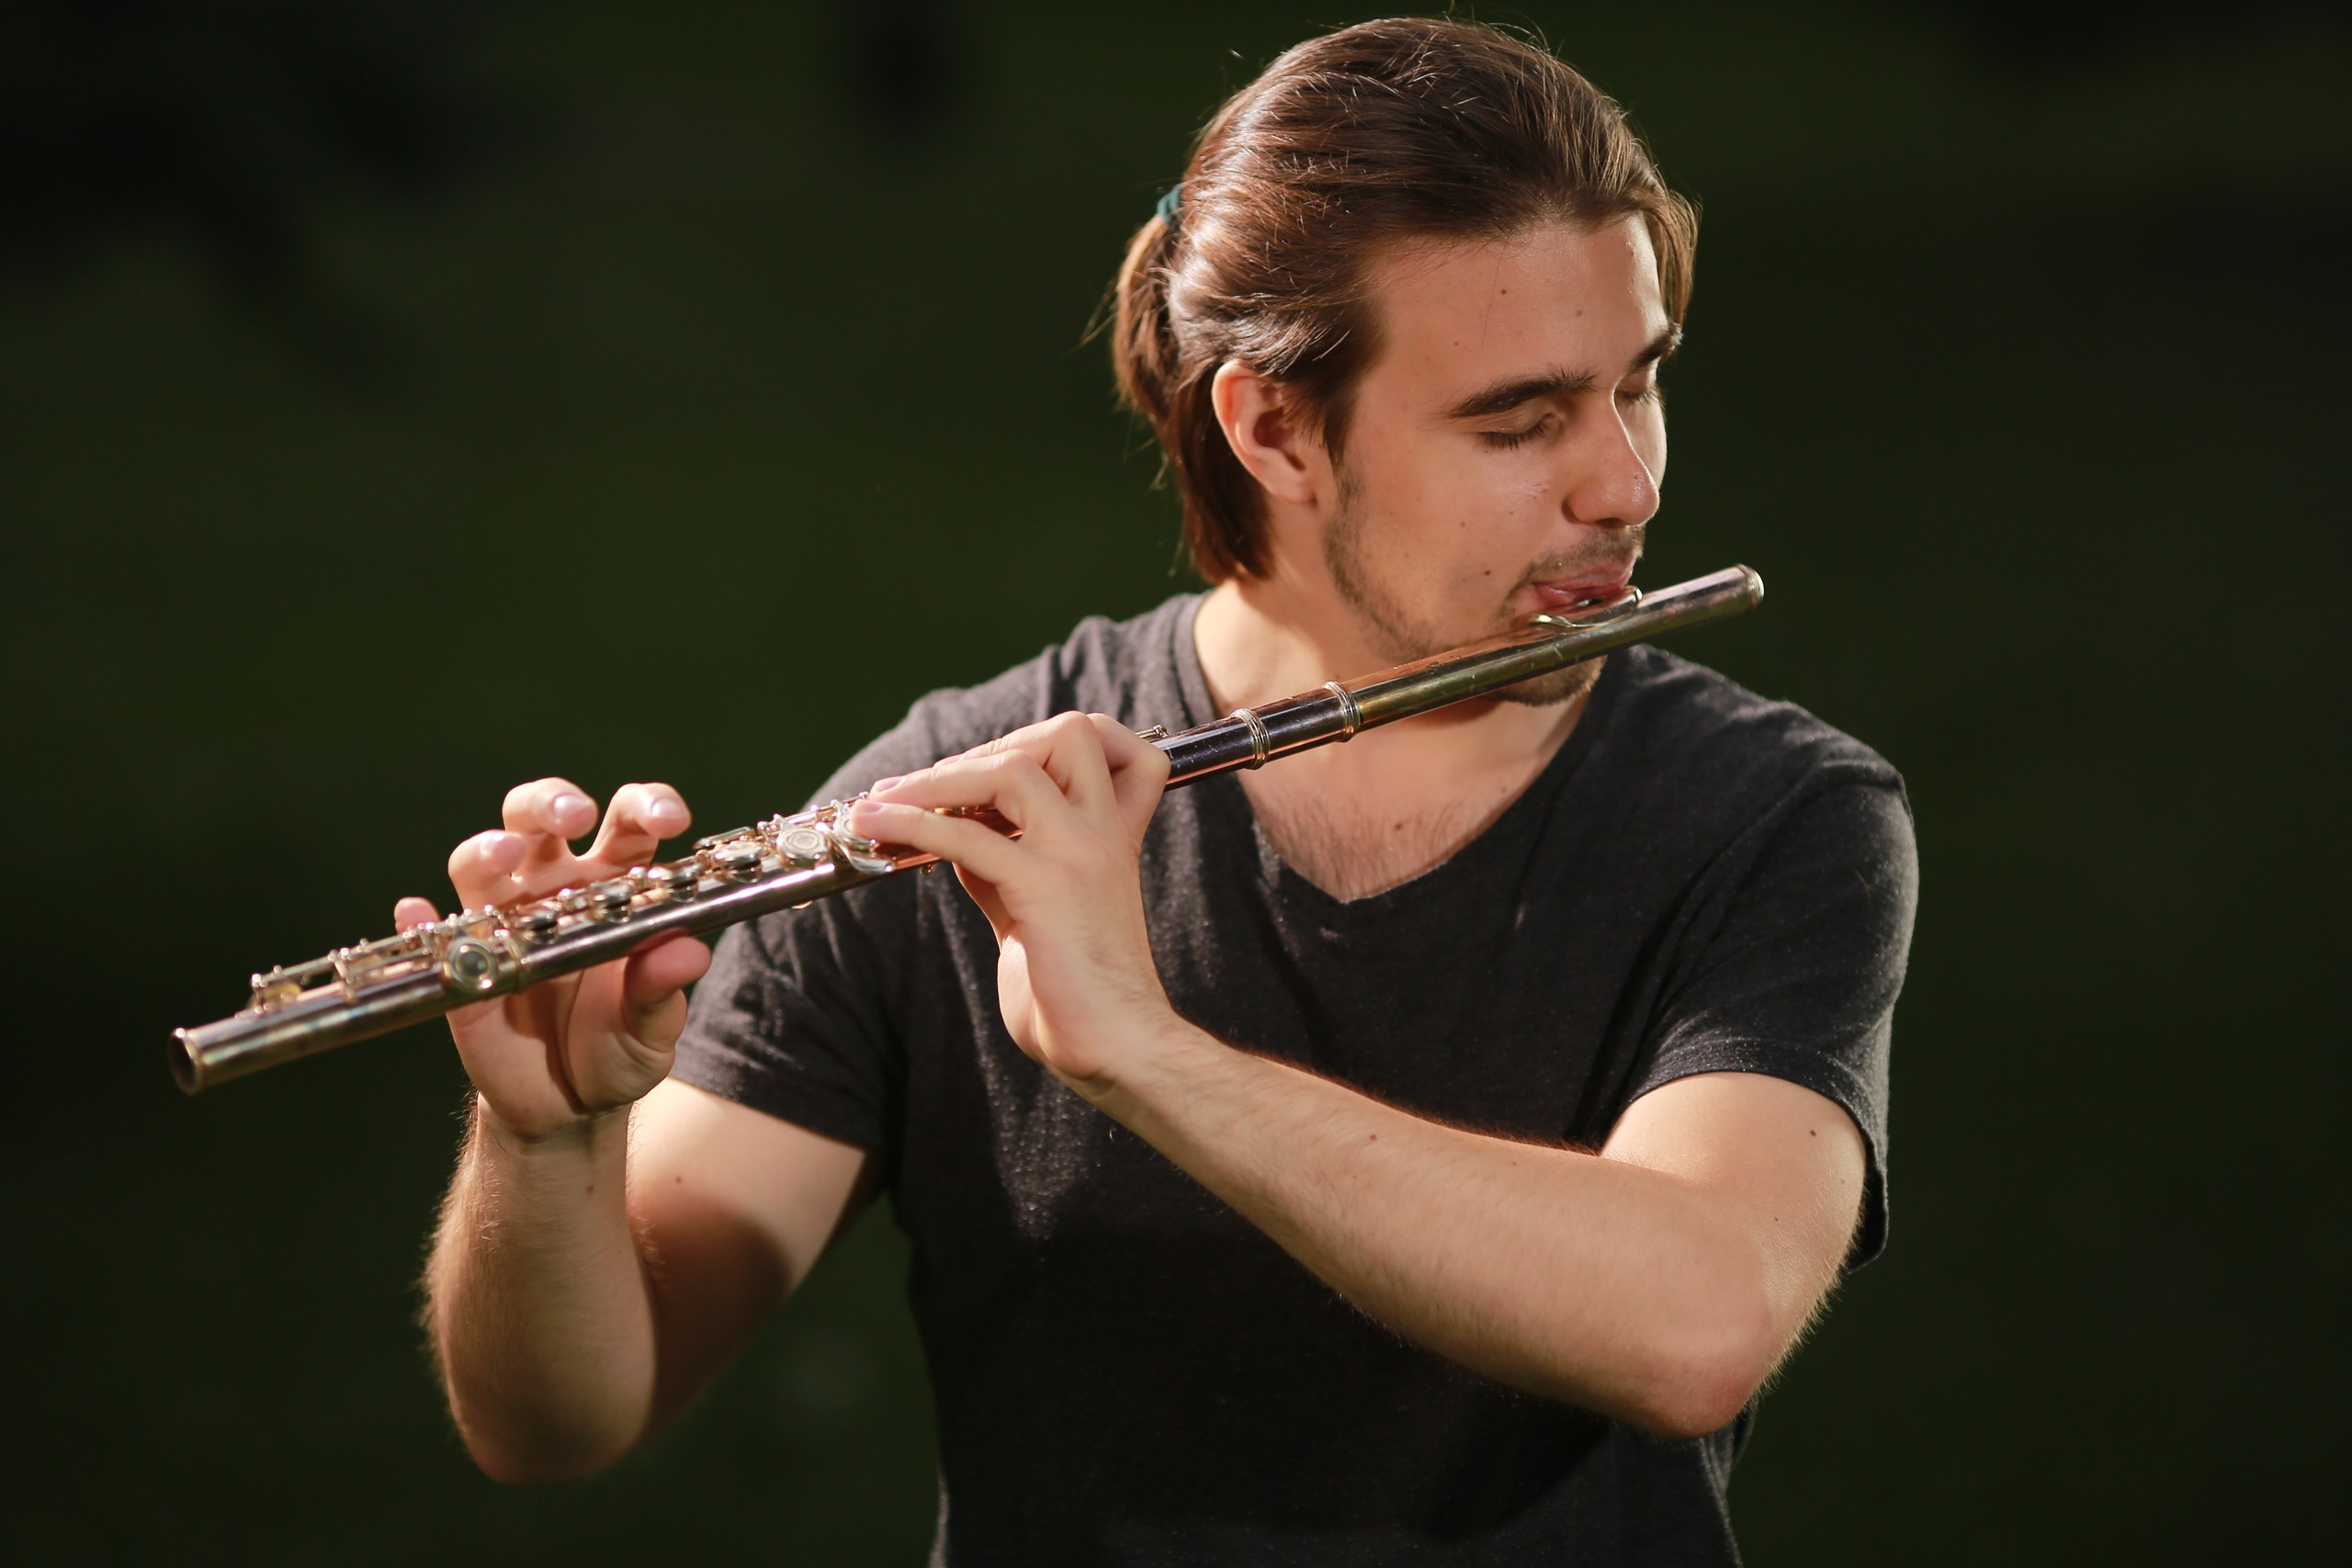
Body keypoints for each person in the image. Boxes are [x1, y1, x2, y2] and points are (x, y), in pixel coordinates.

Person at [413, 17, 1917, 1564]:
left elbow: (1695, 1325)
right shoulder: (968, 809)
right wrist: (546, 1145)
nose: (1627, 484)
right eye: (1519, 422)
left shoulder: (1773, 818)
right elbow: (559, 1419)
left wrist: (1142, 1051)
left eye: (1638, 384)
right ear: (1275, 428)